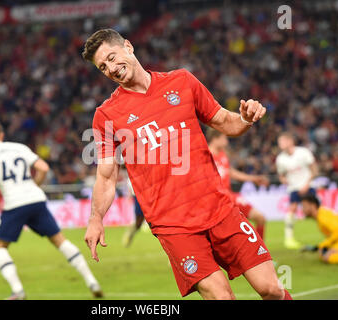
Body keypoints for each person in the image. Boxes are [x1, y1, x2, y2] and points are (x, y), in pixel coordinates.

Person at [82, 29, 291, 300]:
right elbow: (107, 176)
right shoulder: (106, 115)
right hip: (173, 225)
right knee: (222, 297)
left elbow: (224, 122)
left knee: (272, 289)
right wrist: (96, 218)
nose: (110, 68)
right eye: (103, 67)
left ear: (128, 47)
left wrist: (246, 118)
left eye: (111, 57)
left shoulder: (181, 81)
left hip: (218, 207)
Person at [0, 119, 103, 300]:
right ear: (1, 135)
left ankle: (18, 291)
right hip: (36, 200)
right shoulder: (18, 147)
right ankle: (92, 281)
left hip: (14, 204)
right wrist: (34, 186)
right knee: (59, 240)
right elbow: (43, 168)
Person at [207, 129, 267, 239]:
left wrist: (253, 178)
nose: (227, 141)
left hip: (229, 196)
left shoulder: (222, 154)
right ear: (215, 139)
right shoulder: (206, 155)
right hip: (216, 200)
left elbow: (230, 172)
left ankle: (259, 251)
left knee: (260, 218)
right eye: (224, 138)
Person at [276, 132, 318, 249]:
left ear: (290, 141)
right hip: (294, 188)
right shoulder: (280, 159)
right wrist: (284, 180)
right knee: (292, 209)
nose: (280, 144)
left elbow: (314, 170)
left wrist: (307, 184)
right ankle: (289, 239)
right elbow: (281, 175)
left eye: (282, 141)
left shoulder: (303, 153)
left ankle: (330, 232)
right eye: (279, 142)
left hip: (308, 185)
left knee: (316, 212)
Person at [301, 194, 338, 265]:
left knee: (328, 256)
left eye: (304, 206)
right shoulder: (323, 212)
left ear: (313, 206)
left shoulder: (322, 217)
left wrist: (323, 245)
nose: (302, 210)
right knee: (324, 253)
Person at [121, 173, 146, 247]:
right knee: (139, 223)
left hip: (147, 196)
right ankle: (130, 234)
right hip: (138, 197)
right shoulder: (132, 176)